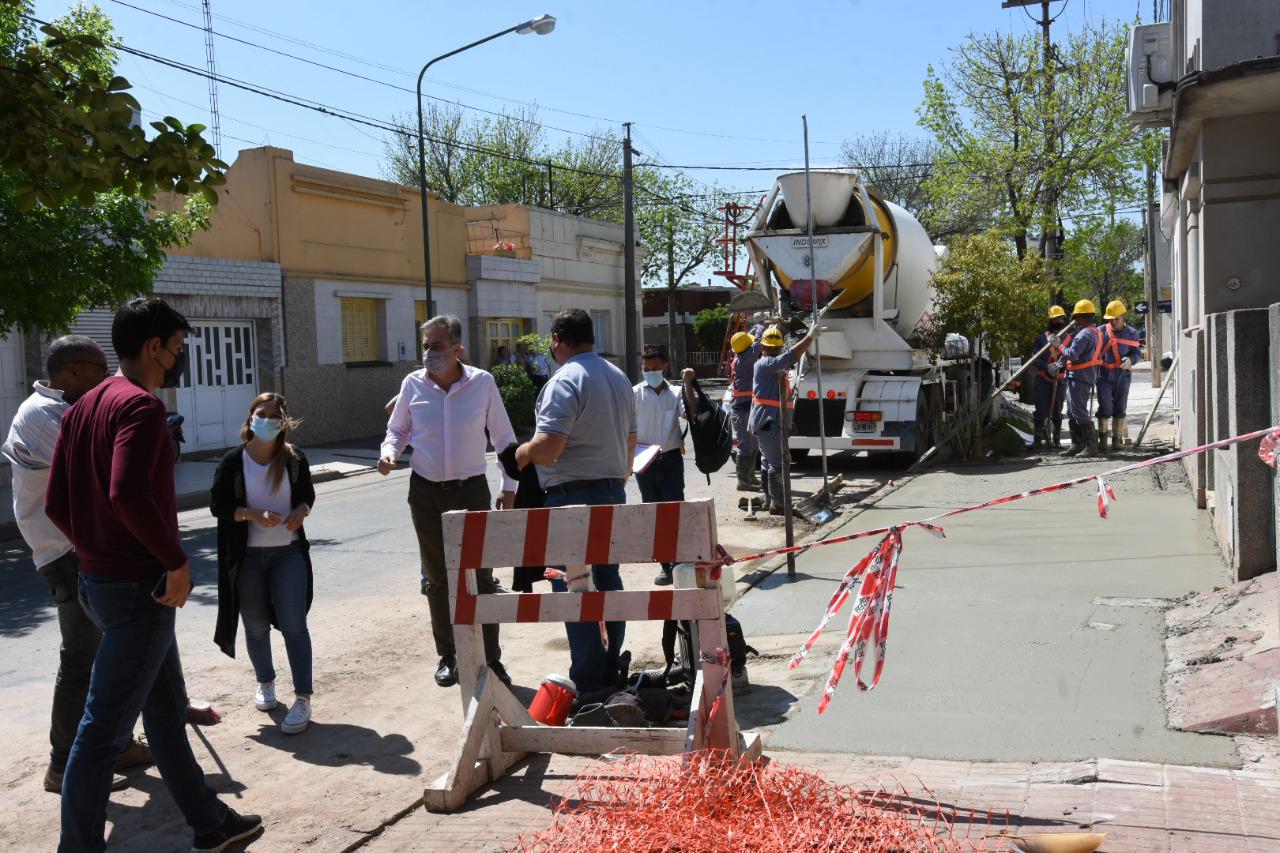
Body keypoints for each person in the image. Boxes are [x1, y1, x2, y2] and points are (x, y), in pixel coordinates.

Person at [45, 298, 260, 853]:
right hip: (139, 590)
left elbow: (56, 503)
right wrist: (175, 561)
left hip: (102, 584)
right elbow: (126, 494)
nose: (182, 354)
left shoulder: (83, 407)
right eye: (180, 344)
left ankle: (210, 823)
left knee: (165, 714)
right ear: (153, 347)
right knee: (101, 735)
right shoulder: (139, 409)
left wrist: (95, 547)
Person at [0, 336, 152, 794]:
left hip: (80, 546)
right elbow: (102, 471)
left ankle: (116, 743)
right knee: (83, 657)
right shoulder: (43, 416)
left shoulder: (64, 410)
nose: (105, 378)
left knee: (113, 654)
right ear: (70, 371)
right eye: (97, 370)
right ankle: (63, 764)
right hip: (66, 553)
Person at [379, 315, 517, 689]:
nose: (428, 353)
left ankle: (491, 661)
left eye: (436, 346)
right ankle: (449, 656)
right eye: (425, 346)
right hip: (426, 493)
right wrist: (390, 453)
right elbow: (398, 429)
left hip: (470, 491)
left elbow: (504, 439)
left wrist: (509, 485)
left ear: (457, 348)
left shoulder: (482, 383)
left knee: (482, 578)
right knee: (437, 580)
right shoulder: (413, 384)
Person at [515, 308, 636, 696]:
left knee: (575, 587)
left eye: (552, 340)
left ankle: (588, 677)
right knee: (608, 581)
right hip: (613, 490)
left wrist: (523, 453)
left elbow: (549, 449)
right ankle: (608, 662)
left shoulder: (564, 381)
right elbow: (631, 440)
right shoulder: (617, 378)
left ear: (559, 339)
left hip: (572, 498)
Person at [210, 393, 316, 734]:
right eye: (262, 413)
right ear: (250, 418)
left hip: (288, 553)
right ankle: (265, 682)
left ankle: (302, 698)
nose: (268, 419)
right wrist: (251, 514)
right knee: (254, 625)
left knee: (293, 624)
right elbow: (218, 506)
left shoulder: (294, 459)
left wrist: (302, 510)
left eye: (275, 415)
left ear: (284, 421)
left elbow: (306, 496)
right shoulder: (232, 462)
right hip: (247, 558)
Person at [633, 344, 697, 586]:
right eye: (646, 369)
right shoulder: (635, 393)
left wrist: (689, 384)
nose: (649, 372)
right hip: (644, 462)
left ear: (665, 367)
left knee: (674, 511)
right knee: (653, 513)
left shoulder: (677, 392)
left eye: (654, 368)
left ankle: (680, 563)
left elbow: (691, 412)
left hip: (670, 459)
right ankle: (665, 565)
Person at [749, 323, 819, 515]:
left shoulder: (767, 363)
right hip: (769, 422)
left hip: (770, 422)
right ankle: (778, 504)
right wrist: (810, 338)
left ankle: (770, 500)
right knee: (776, 464)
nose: (774, 351)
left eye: (776, 349)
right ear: (764, 348)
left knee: (767, 462)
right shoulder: (766, 364)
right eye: (772, 349)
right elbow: (790, 357)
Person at [1049, 299, 1103, 458]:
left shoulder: (1084, 334)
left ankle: (1091, 446)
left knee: (1079, 411)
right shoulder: (1092, 331)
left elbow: (1072, 354)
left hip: (1080, 376)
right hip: (1080, 375)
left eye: (1077, 317)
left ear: (1083, 317)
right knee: (1072, 411)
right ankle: (1076, 444)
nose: (1075, 320)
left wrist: (1059, 346)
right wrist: (1060, 364)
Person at [1096, 300, 1142, 451]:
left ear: (1123, 316)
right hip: (1104, 375)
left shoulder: (1132, 333)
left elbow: (1137, 352)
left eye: (1116, 318)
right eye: (1110, 319)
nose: (1113, 322)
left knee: (1120, 407)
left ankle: (1116, 442)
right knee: (1105, 407)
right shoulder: (1100, 331)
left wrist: (1131, 360)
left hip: (1122, 375)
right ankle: (1102, 442)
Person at [728, 326, 764, 490]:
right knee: (745, 445)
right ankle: (743, 481)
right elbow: (758, 344)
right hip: (742, 407)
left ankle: (750, 476)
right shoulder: (746, 358)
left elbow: (750, 343)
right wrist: (761, 326)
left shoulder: (740, 357)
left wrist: (755, 327)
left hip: (745, 405)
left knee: (754, 442)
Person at [1030, 306, 1070, 451]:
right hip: (1043, 380)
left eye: (1061, 319)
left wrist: (1060, 365)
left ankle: (1056, 441)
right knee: (1041, 411)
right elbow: (1034, 359)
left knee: (1057, 412)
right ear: (1050, 321)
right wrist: (1046, 366)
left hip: (1059, 380)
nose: (1059, 322)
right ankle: (1037, 441)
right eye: (1055, 319)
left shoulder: (1067, 340)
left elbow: (1069, 357)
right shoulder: (1041, 339)